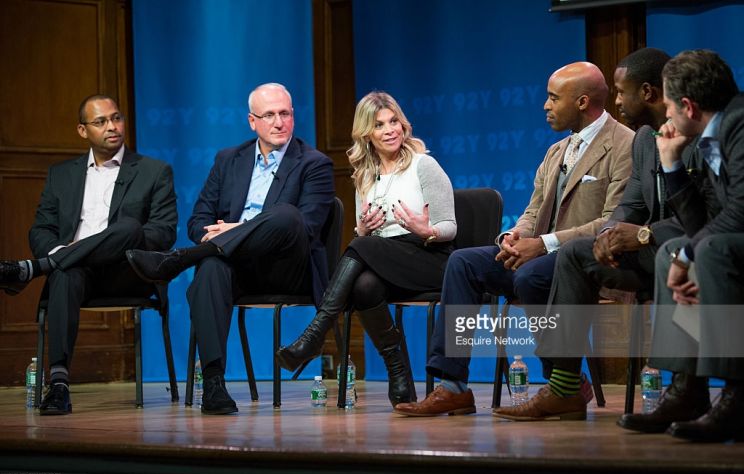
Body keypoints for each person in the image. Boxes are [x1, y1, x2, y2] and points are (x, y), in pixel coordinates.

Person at [394, 61, 634, 417]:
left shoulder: (625, 145)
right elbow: (533, 210)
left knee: (530, 276)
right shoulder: (557, 151)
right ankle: (454, 386)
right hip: (540, 256)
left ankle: (563, 383)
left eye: (554, 98)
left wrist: (544, 244)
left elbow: (612, 222)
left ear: (582, 101)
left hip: (588, 262)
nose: (546, 105)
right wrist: (514, 235)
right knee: (464, 263)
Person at [493, 48, 692, 421]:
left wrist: (644, 234)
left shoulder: (686, 136)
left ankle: (686, 389)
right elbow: (630, 204)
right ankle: (565, 386)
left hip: (681, 248)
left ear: (647, 92)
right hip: (644, 251)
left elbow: (698, 218)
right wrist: (609, 235)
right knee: (575, 255)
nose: (616, 101)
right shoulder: (645, 140)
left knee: (543, 269)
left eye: (622, 92)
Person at [126, 83, 335, 415]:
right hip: (236, 266)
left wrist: (236, 229)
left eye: (285, 114)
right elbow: (198, 222)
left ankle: (180, 260)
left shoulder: (314, 163)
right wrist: (227, 238)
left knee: (286, 215)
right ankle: (213, 383)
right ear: (252, 121)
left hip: (286, 268)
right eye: (269, 115)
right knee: (211, 269)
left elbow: (307, 228)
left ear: (293, 116)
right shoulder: (228, 160)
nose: (279, 122)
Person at [276, 91, 456, 407]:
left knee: (361, 246)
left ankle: (315, 334)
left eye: (393, 121)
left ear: (403, 124)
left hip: (430, 256)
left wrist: (426, 230)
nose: (390, 130)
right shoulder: (365, 175)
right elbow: (365, 233)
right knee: (364, 285)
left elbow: (450, 227)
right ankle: (399, 374)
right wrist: (362, 229)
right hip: (384, 257)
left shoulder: (424, 165)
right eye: (379, 125)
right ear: (366, 134)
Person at [0, 95, 178, 415]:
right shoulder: (61, 174)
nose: (112, 126)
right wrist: (63, 253)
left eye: (116, 118)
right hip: (77, 275)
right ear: (82, 130)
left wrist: (121, 241)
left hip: (127, 273)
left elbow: (163, 232)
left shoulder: (154, 171)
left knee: (129, 227)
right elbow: (41, 229)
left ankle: (36, 268)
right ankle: (59, 385)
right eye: (101, 121)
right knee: (66, 272)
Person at [617, 50, 744, 442]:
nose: (667, 114)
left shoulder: (739, 125)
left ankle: (737, 395)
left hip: (732, 243)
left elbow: (740, 210)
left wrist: (690, 253)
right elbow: (701, 224)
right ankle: (687, 390)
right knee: (670, 251)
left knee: (707, 251)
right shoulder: (710, 135)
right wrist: (671, 164)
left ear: (688, 106)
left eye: (670, 106)